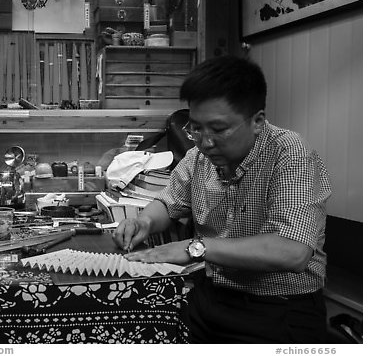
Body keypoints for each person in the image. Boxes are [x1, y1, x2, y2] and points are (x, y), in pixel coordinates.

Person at [112, 55, 332, 344]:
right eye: (195, 128)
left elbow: (292, 251)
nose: (205, 141)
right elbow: (169, 202)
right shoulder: (198, 157)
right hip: (210, 297)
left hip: (280, 309)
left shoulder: (290, 154)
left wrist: (195, 248)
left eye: (218, 129)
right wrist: (144, 221)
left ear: (257, 121)